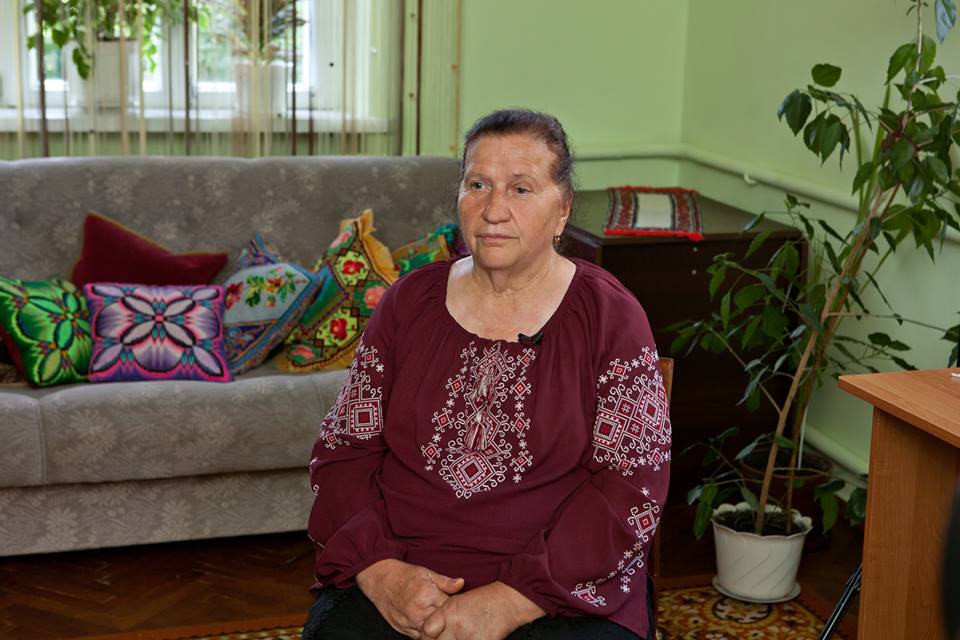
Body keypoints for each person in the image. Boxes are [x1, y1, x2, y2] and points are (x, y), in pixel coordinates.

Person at [300, 109, 671, 640]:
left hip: (559, 591)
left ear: (563, 209)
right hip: (403, 572)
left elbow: (630, 488)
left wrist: (510, 602)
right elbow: (345, 452)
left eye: (521, 189)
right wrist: (381, 573)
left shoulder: (610, 316)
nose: (494, 210)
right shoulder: (407, 302)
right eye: (478, 185)